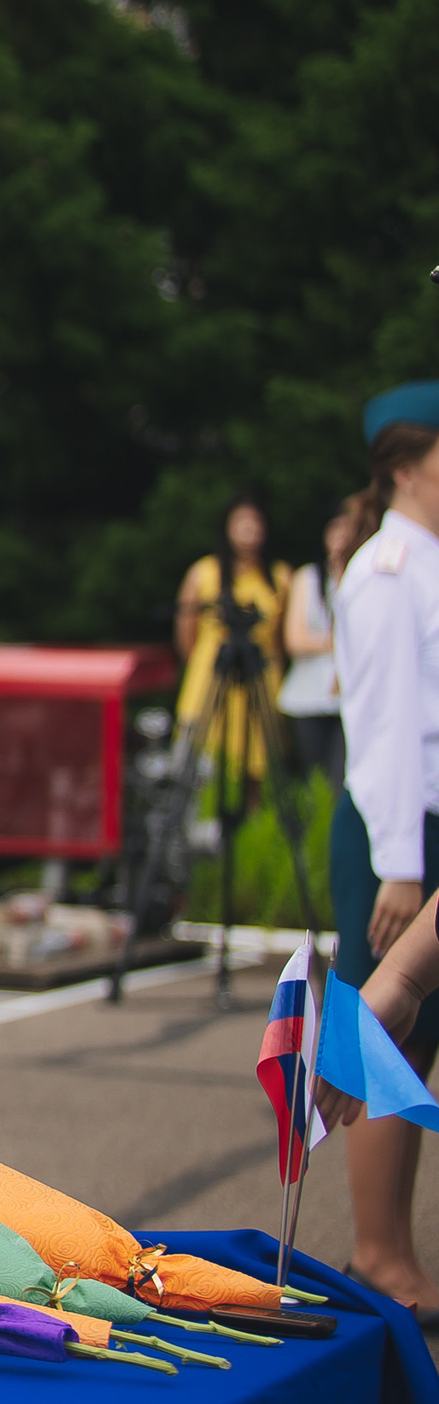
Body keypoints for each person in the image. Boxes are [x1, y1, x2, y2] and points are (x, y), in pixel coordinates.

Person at [328, 383, 439, 1314]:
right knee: (387, 1035)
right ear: (407, 465)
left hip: (418, 822)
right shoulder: (390, 568)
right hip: (395, 824)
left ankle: (394, 1248)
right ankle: (377, 1252)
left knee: (417, 1037)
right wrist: (401, 859)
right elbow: (389, 725)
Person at [172, 494, 292, 779]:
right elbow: (186, 633)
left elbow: (282, 640)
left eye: (255, 521)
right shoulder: (203, 573)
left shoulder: (280, 576)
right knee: (201, 768)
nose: (248, 528)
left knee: (259, 769)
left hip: (261, 678)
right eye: (241, 520)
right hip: (211, 678)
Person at [282, 500, 357, 788]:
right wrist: (342, 642)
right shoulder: (307, 577)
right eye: (334, 528)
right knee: (314, 782)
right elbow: (295, 640)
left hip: (349, 695)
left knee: (342, 780)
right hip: (307, 696)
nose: (340, 536)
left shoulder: (362, 576)